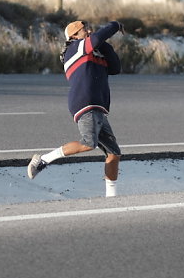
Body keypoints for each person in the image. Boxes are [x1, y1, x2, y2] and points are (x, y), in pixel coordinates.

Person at [27, 20, 124, 197]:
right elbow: (95, 39)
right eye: (84, 29)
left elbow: (116, 68)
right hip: (85, 101)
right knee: (88, 143)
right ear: (73, 35)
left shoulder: (93, 51)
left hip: (98, 105)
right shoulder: (75, 48)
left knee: (114, 153)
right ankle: (43, 160)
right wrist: (115, 25)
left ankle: (112, 197)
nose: (88, 30)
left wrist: (105, 46)